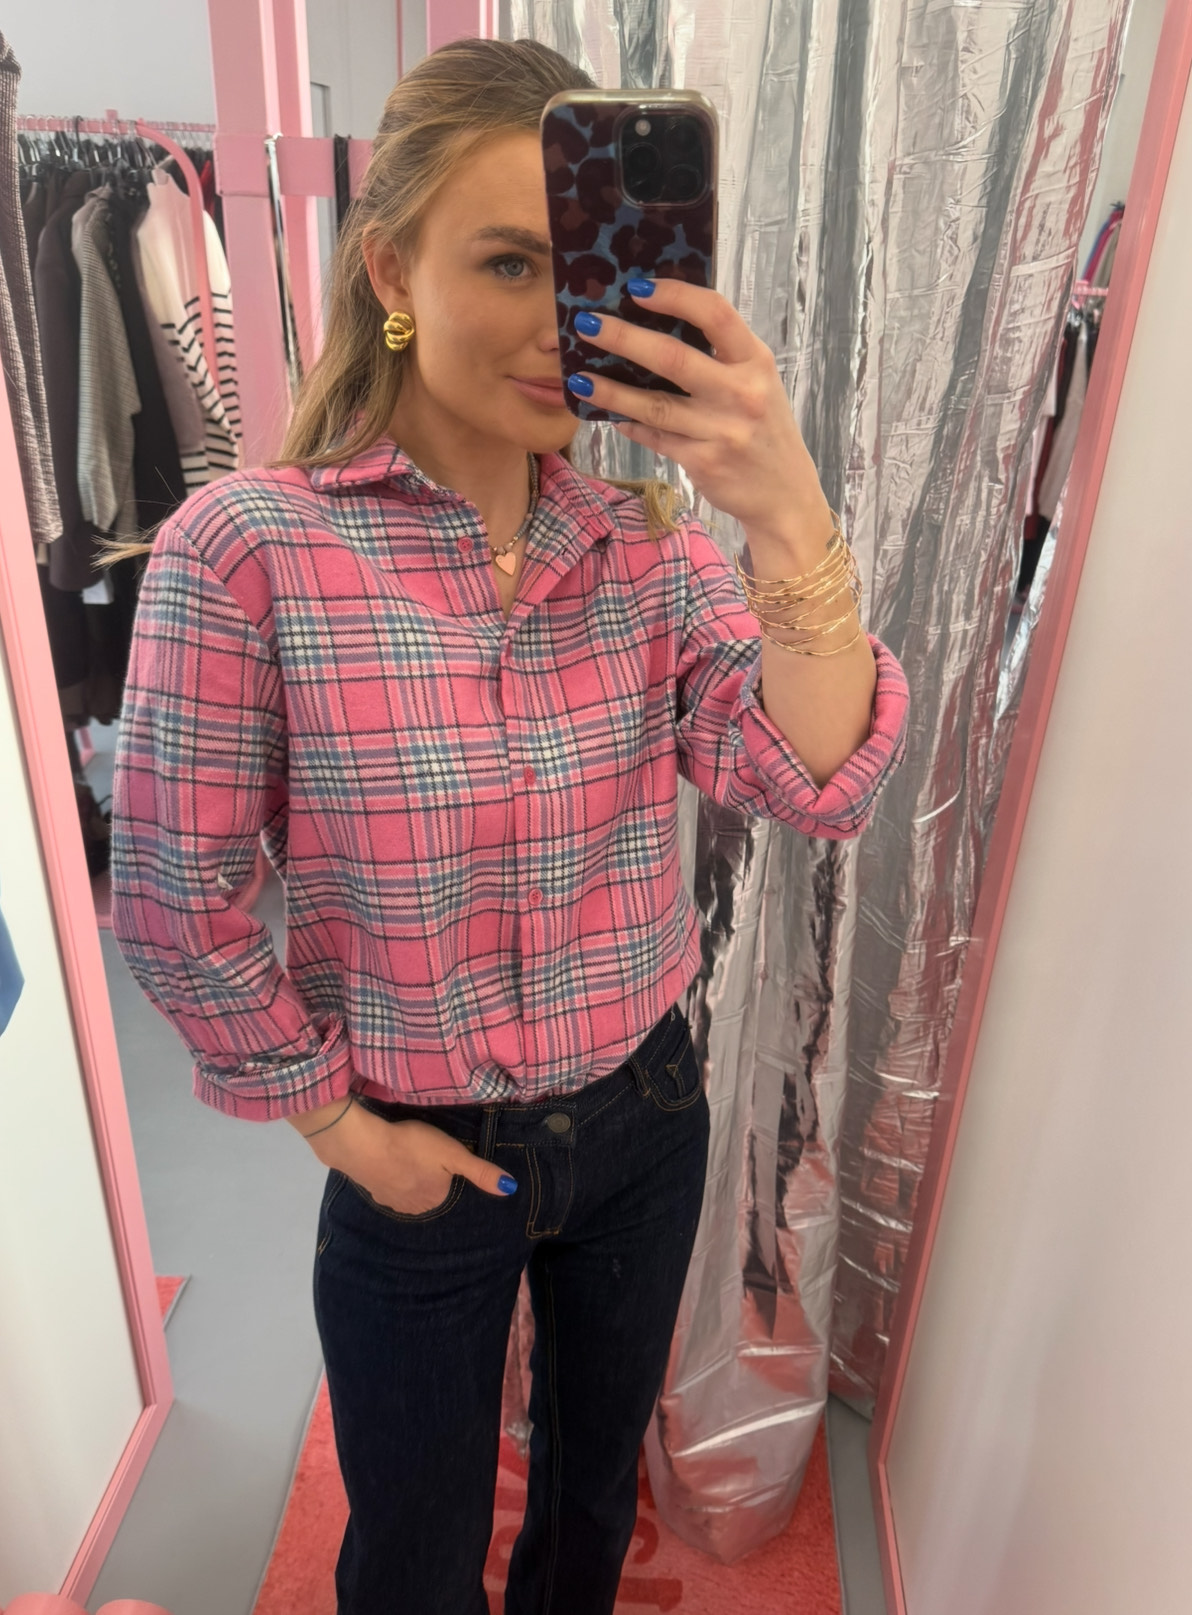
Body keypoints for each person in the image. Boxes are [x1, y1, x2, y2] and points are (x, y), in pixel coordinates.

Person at [106, 35, 908, 1615]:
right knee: (411, 1558)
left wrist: (788, 513)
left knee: (589, 1511)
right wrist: (339, 1131)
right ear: (391, 267)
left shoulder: (650, 553)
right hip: (417, 1147)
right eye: (507, 262)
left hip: (642, 1117)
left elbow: (817, 778)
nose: (563, 322)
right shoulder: (247, 551)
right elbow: (175, 897)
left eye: (592, 271)